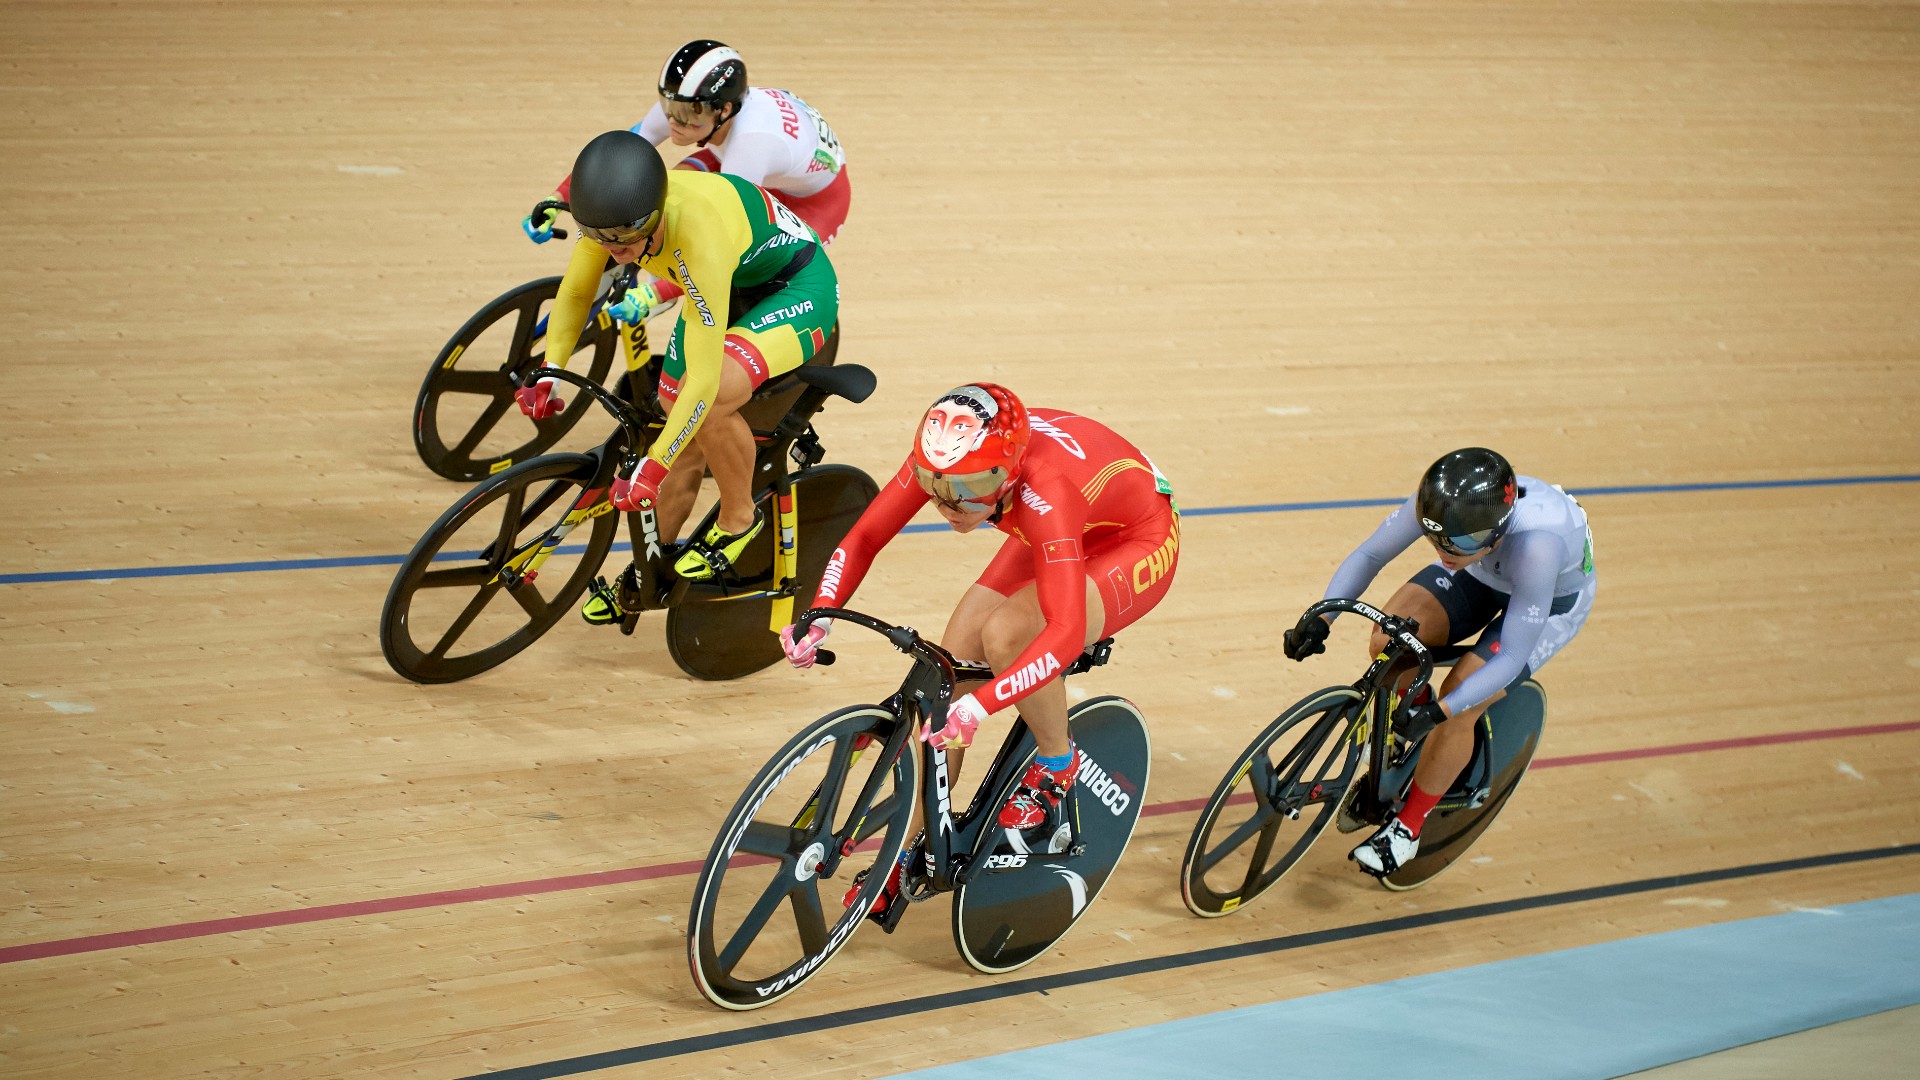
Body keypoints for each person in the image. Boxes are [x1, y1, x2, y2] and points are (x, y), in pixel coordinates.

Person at [779, 384, 1181, 919]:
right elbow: (865, 537)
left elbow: (1062, 632)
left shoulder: (1044, 490)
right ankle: (910, 853)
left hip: (1133, 537)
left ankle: (1058, 765)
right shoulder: (950, 455)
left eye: (969, 491)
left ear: (1006, 473)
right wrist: (821, 610)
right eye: (936, 486)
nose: (950, 504)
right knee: (949, 671)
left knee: (1008, 637)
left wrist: (983, 705)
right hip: (1055, 524)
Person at [514, 130, 838, 604]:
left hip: (794, 289)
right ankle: (652, 566)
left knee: (704, 404)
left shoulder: (695, 235)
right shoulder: (610, 220)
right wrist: (549, 367)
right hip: (725, 282)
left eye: (625, 237)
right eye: (600, 237)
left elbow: (705, 384)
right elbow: (580, 292)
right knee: (673, 411)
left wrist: (654, 464)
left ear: (653, 213)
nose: (614, 249)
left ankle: (739, 517)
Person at [1282, 448, 1596, 877]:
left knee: (1461, 700)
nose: (1446, 549)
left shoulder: (1539, 546)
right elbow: (1371, 555)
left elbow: (1515, 654)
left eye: (1461, 540)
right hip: (1480, 572)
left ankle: (1408, 829)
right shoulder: (1446, 509)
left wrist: (1440, 711)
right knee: (1386, 641)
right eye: (1437, 538)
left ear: (1498, 529)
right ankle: (1406, 733)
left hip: (1546, 602)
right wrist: (1321, 618)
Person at [523, 39, 851, 321]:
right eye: (669, 106)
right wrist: (559, 196)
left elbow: (723, 244)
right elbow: (624, 151)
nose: (674, 122)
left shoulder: (752, 143)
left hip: (814, 204)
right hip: (747, 161)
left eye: (689, 114)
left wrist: (658, 291)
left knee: (741, 270)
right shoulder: (690, 106)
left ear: (723, 110)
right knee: (669, 186)